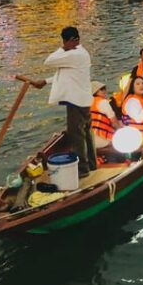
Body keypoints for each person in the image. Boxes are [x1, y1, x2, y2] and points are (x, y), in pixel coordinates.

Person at [31, 27, 96, 178]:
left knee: (77, 134)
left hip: (76, 101)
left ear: (73, 41)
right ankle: (91, 164)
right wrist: (45, 81)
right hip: (81, 99)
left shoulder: (76, 54)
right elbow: (65, 75)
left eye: (65, 42)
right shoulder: (77, 55)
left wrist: (63, 48)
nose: (64, 44)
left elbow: (48, 61)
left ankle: (83, 169)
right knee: (85, 132)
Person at [90, 81, 120, 149]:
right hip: (102, 138)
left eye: (104, 88)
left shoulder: (87, 102)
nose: (104, 90)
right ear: (95, 91)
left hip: (89, 138)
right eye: (101, 89)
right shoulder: (103, 102)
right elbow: (114, 122)